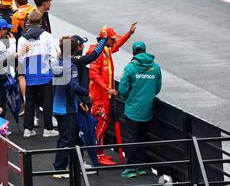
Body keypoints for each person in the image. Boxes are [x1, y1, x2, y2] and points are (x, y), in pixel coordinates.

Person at [87, 23, 137, 166]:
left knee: (101, 124)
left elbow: (118, 44)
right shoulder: (96, 54)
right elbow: (93, 74)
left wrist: (129, 34)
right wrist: (107, 88)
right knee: (101, 125)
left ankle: (99, 153)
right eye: (112, 39)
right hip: (99, 96)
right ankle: (94, 154)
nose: (114, 41)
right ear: (105, 39)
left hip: (104, 95)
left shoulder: (106, 50)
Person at [118, 42, 162, 178]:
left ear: (133, 52)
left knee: (132, 138)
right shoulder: (155, 67)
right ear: (144, 50)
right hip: (147, 110)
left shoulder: (130, 68)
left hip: (132, 110)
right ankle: (141, 166)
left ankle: (131, 168)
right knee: (142, 137)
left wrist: (127, 97)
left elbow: (122, 89)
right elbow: (158, 88)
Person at [52, 36, 90, 178]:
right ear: (74, 50)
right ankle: (59, 169)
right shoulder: (71, 65)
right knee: (67, 138)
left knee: (65, 137)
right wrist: (87, 92)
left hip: (57, 106)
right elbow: (74, 86)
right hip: (68, 108)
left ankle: (69, 165)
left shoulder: (56, 63)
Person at [18, 10, 58, 138]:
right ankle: (48, 128)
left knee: (29, 102)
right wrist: (55, 69)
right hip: (45, 73)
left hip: (30, 74)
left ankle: (28, 130)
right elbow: (53, 55)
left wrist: (24, 73)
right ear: (41, 21)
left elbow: (21, 58)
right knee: (47, 102)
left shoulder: (22, 38)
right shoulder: (47, 36)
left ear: (28, 22)